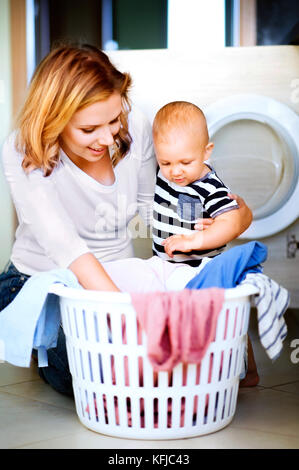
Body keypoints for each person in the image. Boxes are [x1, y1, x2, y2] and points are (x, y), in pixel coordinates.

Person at [0, 45, 254, 395]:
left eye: (114, 120)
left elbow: (158, 207)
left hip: (118, 275)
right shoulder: (22, 152)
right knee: (109, 375)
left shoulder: (136, 126)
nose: (107, 139)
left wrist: (227, 219)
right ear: (55, 121)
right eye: (90, 129)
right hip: (44, 282)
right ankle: (41, 340)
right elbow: (68, 249)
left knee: (187, 361)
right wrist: (136, 322)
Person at [152, 101, 259, 386]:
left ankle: (248, 370)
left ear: (206, 152)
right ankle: (185, 368)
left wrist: (194, 240)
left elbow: (229, 222)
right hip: (168, 265)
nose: (175, 171)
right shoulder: (165, 170)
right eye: (166, 162)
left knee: (226, 317)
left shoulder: (210, 187)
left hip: (202, 266)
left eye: (185, 162)